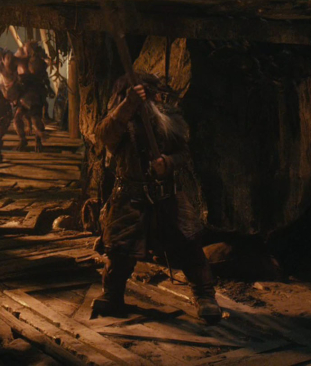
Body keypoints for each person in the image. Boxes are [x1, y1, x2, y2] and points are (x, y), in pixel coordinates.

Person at [92, 73, 222, 323]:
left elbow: (183, 153)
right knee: (120, 251)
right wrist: (128, 104)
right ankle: (112, 295)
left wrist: (168, 163)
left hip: (167, 194)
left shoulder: (167, 117)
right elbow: (106, 135)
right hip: (129, 196)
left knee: (189, 245)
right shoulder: (119, 119)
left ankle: (204, 296)